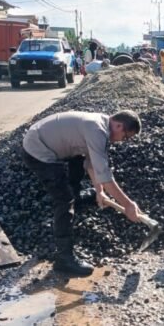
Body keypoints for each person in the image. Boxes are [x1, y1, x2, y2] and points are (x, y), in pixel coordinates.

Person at [22, 110, 143, 275]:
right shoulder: (97, 130)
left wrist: (100, 192)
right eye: (126, 136)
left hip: (49, 140)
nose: (123, 141)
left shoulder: (101, 126)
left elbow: (92, 163)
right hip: (38, 149)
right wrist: (128, 205)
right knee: (64, 200)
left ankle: (76, 199)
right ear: (118, 125)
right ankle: (64, 259)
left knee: (77, 160)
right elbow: (106, 177)